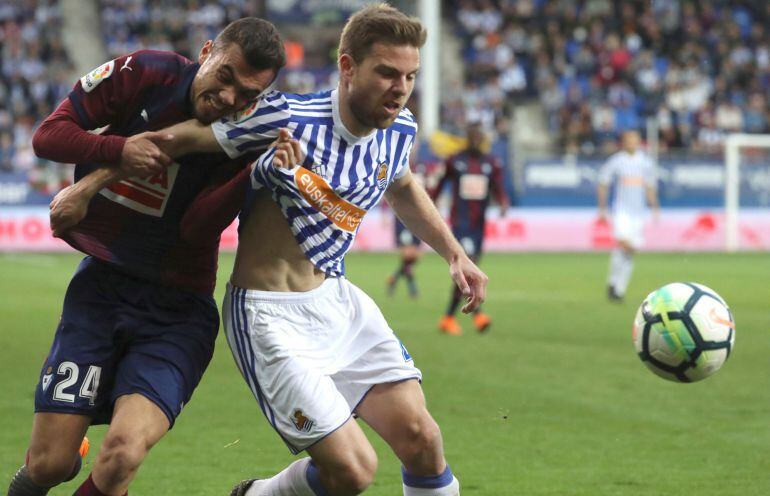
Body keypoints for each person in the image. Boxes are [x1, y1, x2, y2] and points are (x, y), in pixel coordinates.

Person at [135, 4, 484, 495]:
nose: (400, 87)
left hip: (337, 304)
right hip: (268, 317)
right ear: (347, 66)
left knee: (423, 440)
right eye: (386, 72)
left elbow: (401, 185)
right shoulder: (286, 117)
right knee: (353, 471)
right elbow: (178, 140)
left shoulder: (399, 129)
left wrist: (454, 253)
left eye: (409, 75)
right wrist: (91, 181)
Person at [7, 19, 285, 496]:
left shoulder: (250, 136)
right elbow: (48, 135)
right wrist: (117, 149)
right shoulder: (146, 72)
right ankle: (62, 451)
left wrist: (257, 171)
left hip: (178, 311)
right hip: (101, 290)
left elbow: (198, 227)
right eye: (226, 77)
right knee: (50, 464)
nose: (230, 98)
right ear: (206, 52)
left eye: (248, 93)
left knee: (122, 456)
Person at [432, 121, 510, 336]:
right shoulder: (455, 161)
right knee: (468, 270)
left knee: (470, 270)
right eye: (473, 135)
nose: (476, 139)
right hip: (460, 224)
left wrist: (503, 201)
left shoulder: (490, 163)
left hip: (479, 226)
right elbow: (439, 183)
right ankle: (461, 317)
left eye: (479, 136)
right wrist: (432, 202)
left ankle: (456, 317)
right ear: (468, 137)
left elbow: (498, 186)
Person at [597, 130, 659, 302]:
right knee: (625, 245)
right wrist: (602, 209)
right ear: (624, 142)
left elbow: (650, 186)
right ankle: (615, 285)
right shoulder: (617, 161)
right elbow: (603, 183)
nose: (633, 143)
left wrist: (654, 207)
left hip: (638, 212)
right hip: (622, 211)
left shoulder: (646, 162)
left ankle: (617, 288)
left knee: (627, 252)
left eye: (636, 140)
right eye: (629, 140)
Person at [386, 152, 438, 298]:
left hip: (419, 217)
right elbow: (388, 190)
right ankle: (413, 289)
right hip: (402, 217)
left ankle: (394, 278)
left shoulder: (421, 168)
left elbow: (429, 189)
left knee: (415, 256)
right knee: (408, 254)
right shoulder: (398, 167)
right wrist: (385, 211)